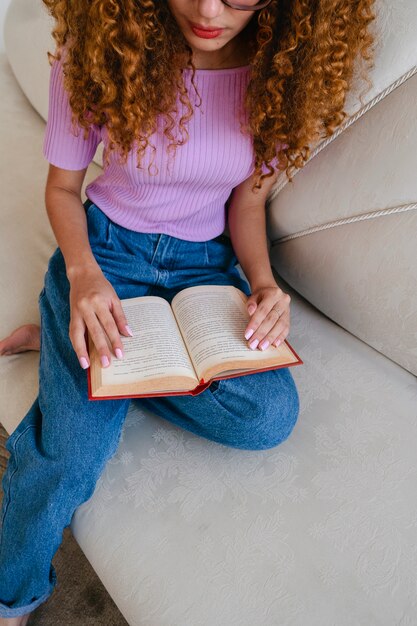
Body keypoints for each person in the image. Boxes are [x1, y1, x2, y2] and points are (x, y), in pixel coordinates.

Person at [0, 0, 376, 623]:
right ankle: (12, 595)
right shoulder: (102, 50)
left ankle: (87, 361)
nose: (208, 11)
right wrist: (83, 276)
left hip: (206, 271)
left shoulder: (280, 72)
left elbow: (247, 206)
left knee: (268, 416)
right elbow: (63, 188)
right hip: (105, 258)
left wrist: (263, 283)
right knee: (68, 457)